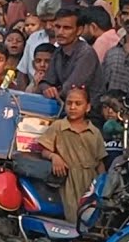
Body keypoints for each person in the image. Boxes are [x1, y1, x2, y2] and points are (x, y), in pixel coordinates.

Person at [35, 86, 106, 224]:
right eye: (69, 103)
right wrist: (54, 157)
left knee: (93, 217)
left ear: (88, 107)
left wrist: (102, 184)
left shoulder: (95, 132)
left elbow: (100, 162)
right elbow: (43, 149)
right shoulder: (58, 126)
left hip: (91, 181)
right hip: (69, 180)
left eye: (78, 104)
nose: (72, 107)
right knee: (73, 216)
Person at [38, 7, 103, 103]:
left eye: (66, 28)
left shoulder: (86, 53)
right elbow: (46, 81)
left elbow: (70, 89)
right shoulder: (58, 51)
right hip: (64, 108)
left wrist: (52, 92)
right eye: (57, 27)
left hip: (88, 112)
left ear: (79, 30)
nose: (60, 32)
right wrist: (46, 89)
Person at [16, 0, 61, 77]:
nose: (48, 26)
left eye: (52, 20)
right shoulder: (33, 38)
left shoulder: (75, 41)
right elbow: (23, 71)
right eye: (44, 21)